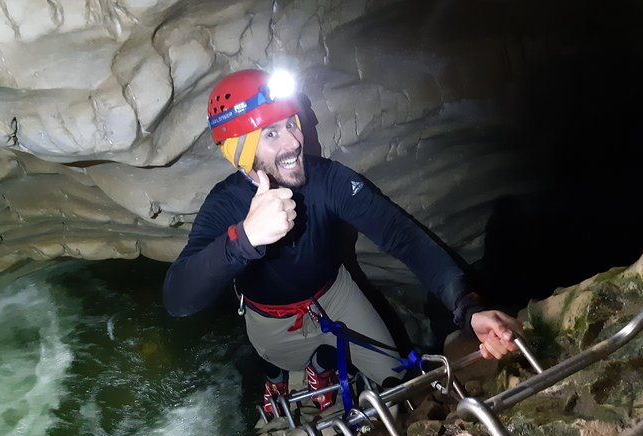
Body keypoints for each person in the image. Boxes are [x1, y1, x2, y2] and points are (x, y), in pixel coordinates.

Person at [163, 68, 521, 418]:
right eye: (270, 134)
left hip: (337, 295)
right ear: (239, 151)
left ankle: (325, 368)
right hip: (272, 321)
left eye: (290, 123)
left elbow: (402, 236)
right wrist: (245, 238)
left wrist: (468, 307)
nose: (293, 142)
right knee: (284, 363)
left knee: (400, 384)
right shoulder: (224, 204)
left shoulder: (328, 180)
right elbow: (179, 299)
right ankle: (285, 376)